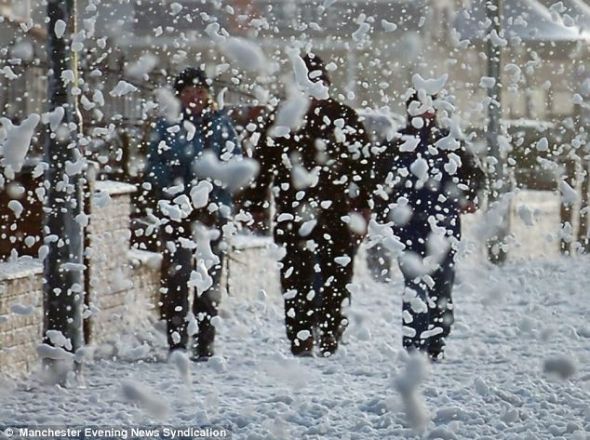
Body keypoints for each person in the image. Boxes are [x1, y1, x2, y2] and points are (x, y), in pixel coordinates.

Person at [243, 53, 373, 357]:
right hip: (292, 211)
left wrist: (363, 206)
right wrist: (256, 203)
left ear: (325, 86)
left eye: (317, 84)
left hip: (337, 212)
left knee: (337, 277)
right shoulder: (283, 119)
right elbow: (262, 164)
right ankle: (301, 336)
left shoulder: (343, 117)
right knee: (295, 277)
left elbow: (364, 165)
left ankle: (329, 334)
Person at [379, 91, 484, 360]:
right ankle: (414, 345)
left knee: (441, 285)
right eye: (418, 108)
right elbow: (377, 181)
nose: (424, 114)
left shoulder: (450, 142)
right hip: (408, 228)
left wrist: (470, 197)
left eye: (428, 109)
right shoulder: (398, 143)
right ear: (410, 111)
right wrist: (381, 212)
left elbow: (475, 174)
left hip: (443, 227)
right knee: (414, 284)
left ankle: (436, 342)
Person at [145, 67, 240, 360]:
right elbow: (156, 164)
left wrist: (214, 192)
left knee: (209, 276)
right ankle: (177, 342)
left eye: (199, 92)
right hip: (178, 212)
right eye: (187, 93)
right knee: (178, 276)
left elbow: (233, 162)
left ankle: (204, 341)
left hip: (213, 212)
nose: (194, 98)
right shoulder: (168, 127)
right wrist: (175, 191)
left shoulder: (221, 125)